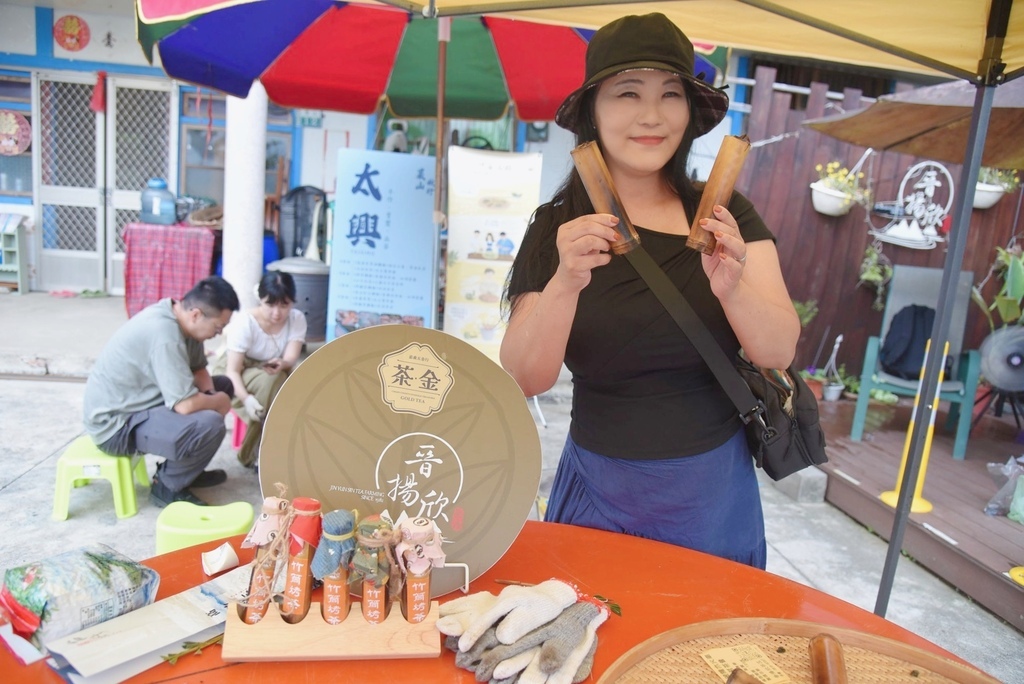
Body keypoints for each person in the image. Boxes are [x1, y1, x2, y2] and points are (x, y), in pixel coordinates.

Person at [500, 13, 800, 568]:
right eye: (627, 92)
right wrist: (565, 281)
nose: (651, 115)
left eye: (670, 94)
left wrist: (732, 290)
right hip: (597, 487)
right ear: (593, 110)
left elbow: (779, 351)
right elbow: (523, 376)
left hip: (710, 490)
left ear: (689, 112)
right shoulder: (556, 227)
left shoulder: (726, 216)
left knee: (704, 649)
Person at [83, 276, 240, 507]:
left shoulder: (184, 322)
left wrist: (212, 395)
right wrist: (218, 402)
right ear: (196, 314)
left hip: (142, 402)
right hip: (116, 426)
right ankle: (166, 485)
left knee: (222, 387)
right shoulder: (164, 334)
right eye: (218, 327)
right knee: (209, 423)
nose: (218, 333)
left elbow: (198, 369)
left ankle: (188, 470)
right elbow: (184, 405)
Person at [214, 270, 307, 469]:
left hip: (272, 367)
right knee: (272, 383)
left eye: (284, 305)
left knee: (296, 379)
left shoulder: (296, 319)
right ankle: (255, 452)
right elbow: (232, 371)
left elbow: (291, 358)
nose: (277, 312)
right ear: (260, 299)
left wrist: (283, 363)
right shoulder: (246, 323)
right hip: (237, 373)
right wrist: (247, 400)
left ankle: (272, 446)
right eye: (270, 304)